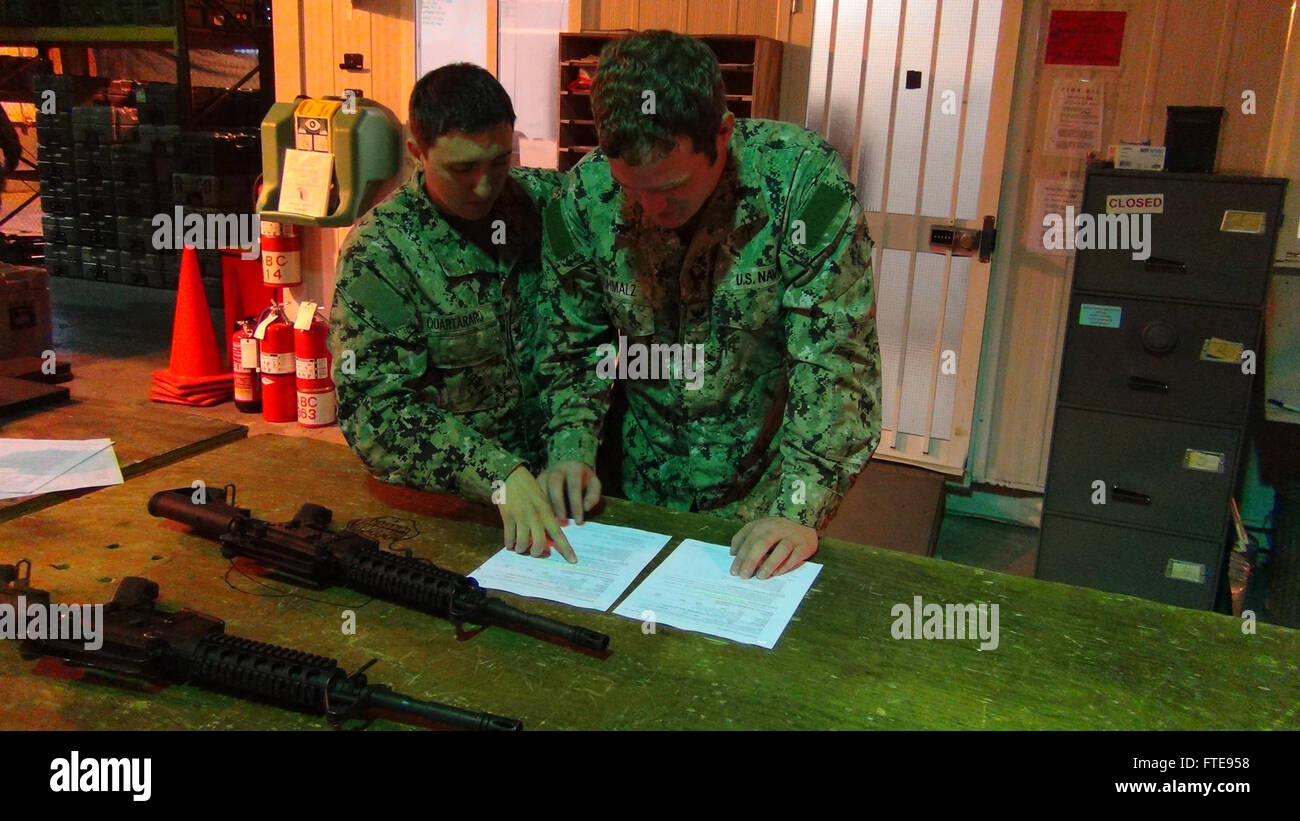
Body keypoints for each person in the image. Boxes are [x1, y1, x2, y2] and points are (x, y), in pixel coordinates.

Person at [538, 30, 882, 580]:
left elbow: (836, 360)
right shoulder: (583, 198)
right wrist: (570, 446)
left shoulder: (798, 182)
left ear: (722, 134)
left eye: (672, 189)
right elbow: (577, 347)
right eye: (634, 189)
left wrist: (799, 507)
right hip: (632, 492)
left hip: (762, 497)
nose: (652, 208)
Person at [330, 63, 576, 562]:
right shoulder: (382, 253)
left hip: (568, 493)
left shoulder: (546, 204)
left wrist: (575, 446)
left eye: (499, 162)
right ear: (417, 153)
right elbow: (375, 412)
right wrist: (496, 473)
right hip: (455, 509)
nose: (484, 186)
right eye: (462, 169)